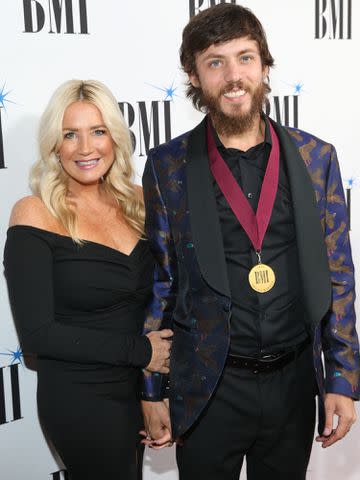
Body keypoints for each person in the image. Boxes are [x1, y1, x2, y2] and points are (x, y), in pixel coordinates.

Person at [140, 4, 359, 480]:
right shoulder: (167, 166)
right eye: (215, 62)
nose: (233, 75)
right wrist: (151, 388)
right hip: (208, 388)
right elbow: (161, 281)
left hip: (294, 385)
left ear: (264, 67)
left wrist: (343, 376)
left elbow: (339, 273)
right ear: (194, 76)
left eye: (245, 58)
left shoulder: (315, 157)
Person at [3, 79, 172, 480]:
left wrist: (155, 390)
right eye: (70, 135)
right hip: (82, 397)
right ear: (54, 146)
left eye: (98, 131)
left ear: (115, 138)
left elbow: (164, 298)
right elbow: (38, 336)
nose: (85, 148)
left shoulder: (140, 201)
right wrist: (140, 352)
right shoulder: (34, 213)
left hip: (142, 386)